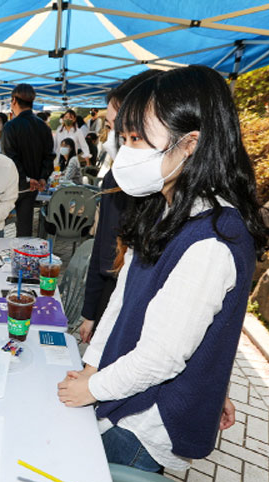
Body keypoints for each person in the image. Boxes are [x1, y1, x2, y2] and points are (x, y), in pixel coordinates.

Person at [57, 66, 269, 482]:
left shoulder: (213, 238)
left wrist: (91, 389)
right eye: (124, 138)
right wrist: (93, 366)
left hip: (146, 419)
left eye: (138, 139)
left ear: (190, 144)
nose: (124, 153)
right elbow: (122, 300)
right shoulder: (166, 204)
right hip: (122, 389)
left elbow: (162, 358)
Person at [79, 70, 160, 344]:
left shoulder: (171, 195)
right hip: (110, 296)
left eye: (119, 128)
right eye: (112, 127)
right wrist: (91, 312)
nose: (111, 135)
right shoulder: (116, 179)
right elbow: (102, 248)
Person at [1, 84, 54, 236]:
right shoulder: (43, 127)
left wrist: (26, 177)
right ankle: (23, 257)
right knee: (25, 230)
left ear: (14, 101)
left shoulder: (11, 127)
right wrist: (42, 177)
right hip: (33, 187)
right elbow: (49, 156)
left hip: (13, 185)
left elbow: (9, 157)